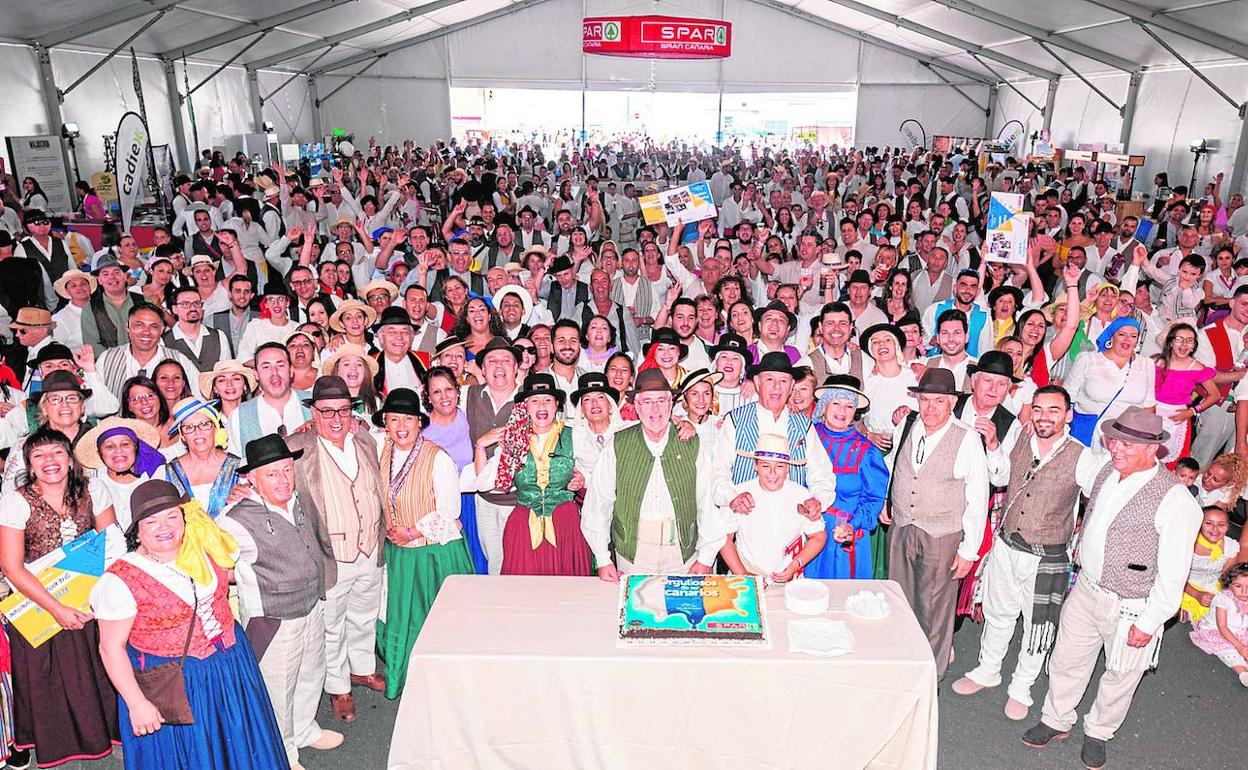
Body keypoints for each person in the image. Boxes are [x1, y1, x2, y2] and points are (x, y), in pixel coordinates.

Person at [1022, 407, 1202, 770]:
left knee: (1121, 674)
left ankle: (1099, 731)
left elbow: (1173, 574)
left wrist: (1150, 622)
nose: (1117, 448)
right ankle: (1057, 719)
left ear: (1154, 449)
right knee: (1067, 659)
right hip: (1086, 588)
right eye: (1115, 440)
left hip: (1133, 604)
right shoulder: (1106, 470)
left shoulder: (1175, 500)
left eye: (1129, 444)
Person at [90, 480, 289, 769]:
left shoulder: (203, 551)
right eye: (152, 521)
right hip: (174, 680)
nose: (165, 527)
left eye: (172, 516)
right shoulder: (120, 579)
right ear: (137, 530)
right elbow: (110, 648)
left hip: (231, 664)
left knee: (241, 746)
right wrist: (136, 703)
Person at [951, 385, 1101, 721]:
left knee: (1037, 626)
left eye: (1053, 410)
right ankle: (988, 670)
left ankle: (1021, 687)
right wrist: (992, 447)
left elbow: (1099, 499)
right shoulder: (1021, 437)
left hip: (1047, 555)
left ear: (1068, 416)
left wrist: (1083, 532)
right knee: (998, 612)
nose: (1044, 417)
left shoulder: (1082, 456)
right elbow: (1001, 475)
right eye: (1039, 409)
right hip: (1006, 545)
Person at [217, 434, 343, 769]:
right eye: (272, 474)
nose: (283, 479)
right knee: (279, 689)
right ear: (251, 479)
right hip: (273, 619)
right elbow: (214, 564)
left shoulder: (298, 498)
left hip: (312, 605)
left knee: (311, 672)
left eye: (287, 470)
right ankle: (283, 752)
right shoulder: (234, 519)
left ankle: (304, 730)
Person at [0, 427, 121, 767]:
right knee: (48, 680)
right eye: (39, 455)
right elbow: (11, 566)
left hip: (90, 602)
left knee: (92, 672)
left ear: (70, 460)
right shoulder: (15, 501)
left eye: (56, 452)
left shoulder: (95, 489)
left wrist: (94, 600)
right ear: (29, 464)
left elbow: (111, 546)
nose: (49, 461)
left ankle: (100, 739)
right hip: (38, 607)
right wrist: (56, 608)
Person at [285, 376, 386, 722]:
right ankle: (339, 686)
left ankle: (361, 668)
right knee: (331, 626)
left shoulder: (366, 441)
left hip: (369, 549)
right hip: (331, 557)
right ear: (313, 412)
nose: (336, 419)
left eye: (343, 410)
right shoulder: (297, 447)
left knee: (363, 616)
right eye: (327, 411)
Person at [881, 367, 988, 679]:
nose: (929, 408)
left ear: (952, 403)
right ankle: (903, 661)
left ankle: (930, 676)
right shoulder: (907, 424)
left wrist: (969, 552)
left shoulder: (966, 438)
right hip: (902, 527)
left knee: (934, 610)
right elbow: (894, 464)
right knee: (900, 598)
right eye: (925, 400)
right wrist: (887, 500)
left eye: (938, 401)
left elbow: (978, 498)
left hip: (941, 534)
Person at [373, 388, 474, 698]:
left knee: (435, 620)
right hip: (398, 553)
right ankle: (408, 679)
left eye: (408, 419)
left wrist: (413, 532)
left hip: (432, 554)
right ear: (385, 425)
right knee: (399, 616)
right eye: (393, 420)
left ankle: (444, 685)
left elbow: (450, 511)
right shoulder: (382, 450)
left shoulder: (438, 458)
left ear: (419, 422)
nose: (401, 426)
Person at [581, 369, 720, 577]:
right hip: (633, 556)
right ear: (636, 406)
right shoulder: (618, 444)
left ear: (671, 404)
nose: (655, 409)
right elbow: (599, 504)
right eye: (646, 401)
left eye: (661, 401)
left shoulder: (692, 443)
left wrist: (706, 556)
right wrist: (602, 559)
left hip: (683, 555)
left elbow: (707, 502)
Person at [471, 372, 592, 576]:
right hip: (524, 526)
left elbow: (599, 475)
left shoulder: (575, 435)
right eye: (534, 401)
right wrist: (480, 446)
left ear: (556, 405)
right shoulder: (515, 441)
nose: (542, 406)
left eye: (547, 400)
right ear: (525, 406)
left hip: (565, 525)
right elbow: (483, 483)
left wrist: (583, 480)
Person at [807, 375, 888, 580]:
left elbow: (873, 499)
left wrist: (852, 525)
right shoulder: (806, 439)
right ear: (824, 405)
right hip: (806, 532)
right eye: (836, 403)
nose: (842, 411)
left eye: (849, 406)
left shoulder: (867, 451)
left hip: (843, 537)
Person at [719, 433, 827, 584]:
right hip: (746, 576)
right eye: (765, 466)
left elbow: (818, 536)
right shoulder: (740, 495)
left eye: (780, 466)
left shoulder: (801, 495)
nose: (772, 473)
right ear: (755, 466)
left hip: (789, 579)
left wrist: (795, 565)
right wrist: (743, 574)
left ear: (788, 467)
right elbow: (724, 539)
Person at [1065, 317, 1156, 447]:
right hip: (1087, 432)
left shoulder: (1147, 364)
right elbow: (1067, 398)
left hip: (1127, 437)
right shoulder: (1087, 360)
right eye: (1121, 334)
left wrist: (1148, 441)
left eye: (1133, 336)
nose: (1127, 340)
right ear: (1111, 337)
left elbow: (1149, 406)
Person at [74, 416, 166, 529]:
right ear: (100, 453)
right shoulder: (91, 484)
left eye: (125, 444)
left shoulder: (157, 477)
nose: (118, 451)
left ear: (136, 447)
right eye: (110, 446)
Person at [165, 397, 244, 518]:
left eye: (204, 424)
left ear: (216, 428)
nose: (197, 432)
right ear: (182, 436)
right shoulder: (167, 473)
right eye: (188, 427)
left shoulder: (241, 468)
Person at [1151, 319, 1218, 463]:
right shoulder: (1156, 362)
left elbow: (1215, 395)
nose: (1184, 345)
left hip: (1177, 418)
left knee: (1170, 465)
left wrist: (1192, 411)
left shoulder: (1197, 368)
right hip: (1151, 414)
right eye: (1179, 339)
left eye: (1189, 340)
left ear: (1194, 346)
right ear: (1170, 342)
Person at [227, 342, 311, 454]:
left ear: (291, 371)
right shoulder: (239, 416)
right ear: (256, 374)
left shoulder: (315, 403)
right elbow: (236, 462)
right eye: (266, 367)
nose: (274, 372)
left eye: (280, 365)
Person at [1188, 561, 1248, 688]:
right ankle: (1243, 672)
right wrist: (1239, 646)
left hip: (1241, 630)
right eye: (1238, 586)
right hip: (1218, 631)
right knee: (1229, 651)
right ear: (1229, 585)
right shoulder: (1223, 599)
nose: (1244, 591)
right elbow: (1222, 627)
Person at [1180, 506, 1239, 624]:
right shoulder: (1187, 543)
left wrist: (1220, 596)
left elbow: (1226, 578)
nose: (1215, 529)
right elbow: (1174, 577)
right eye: (1209, 523)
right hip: (1185, 586)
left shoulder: (1231, 546)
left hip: (1214, 586)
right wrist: (1197, 594)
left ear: (1227, 527)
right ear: (1199, 524)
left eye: (1221, 525)